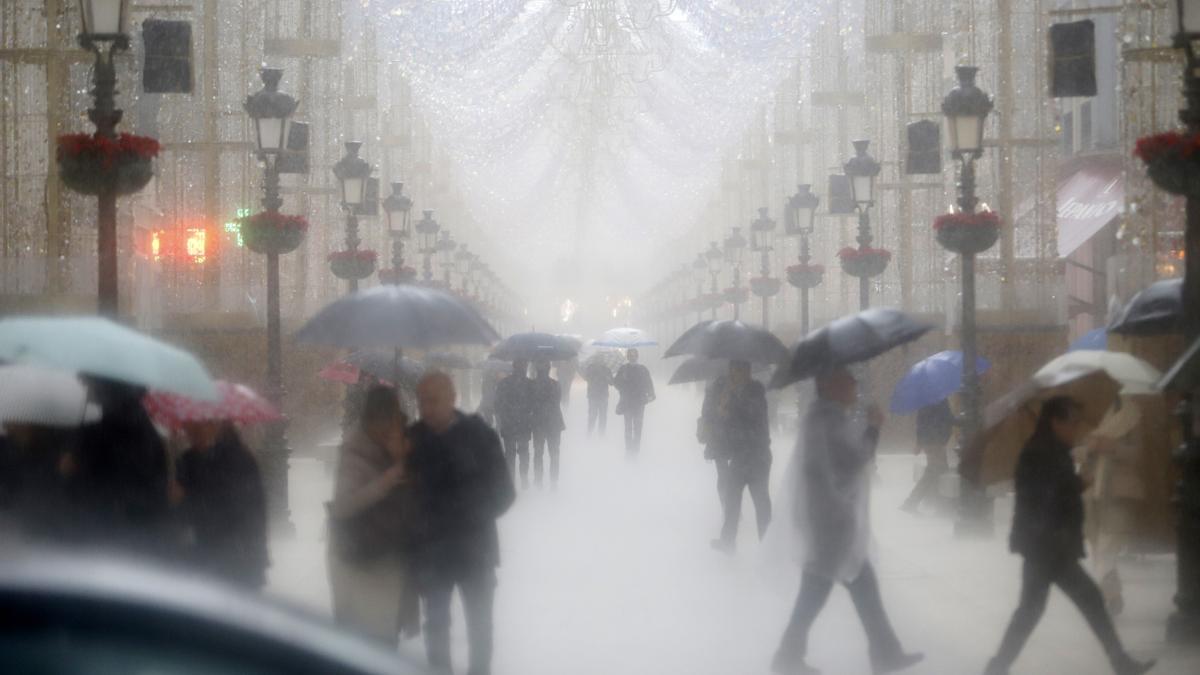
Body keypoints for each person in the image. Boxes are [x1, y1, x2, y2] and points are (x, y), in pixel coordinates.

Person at [984, 397, 1154, 675]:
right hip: (1046, 547)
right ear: (1056, 422)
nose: (1076, 429)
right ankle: (1120, 662)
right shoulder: (1039, 452)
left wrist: (1077, 482)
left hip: (1051, 547)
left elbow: (1057, 489)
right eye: (1072, 423)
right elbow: (1043, 497)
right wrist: (1074, 484)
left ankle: (1120, 662)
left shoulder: (1053, 448)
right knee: (1043, 609)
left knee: (1059, 607)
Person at [773, 367, 922, 675]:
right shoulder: (826, 419)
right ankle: (789, 655)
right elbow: (853, 461)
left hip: (830, 519)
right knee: (822, 590)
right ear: (831, 385)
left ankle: (884, 652)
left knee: (853, 586)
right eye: (848, 379)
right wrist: (873, 428)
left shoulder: (825, 416)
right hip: (831, 521)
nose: (855, 384)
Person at [408, 372, 516, 675]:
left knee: (480, 625)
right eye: (421, 401)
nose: (426, 408)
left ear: (452, 398)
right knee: (436, 624)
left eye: (433, 401)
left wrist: (468, 514)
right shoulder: (412, 440)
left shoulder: (479, 435)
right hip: (432, 553)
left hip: (475, 550)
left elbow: (505, 493)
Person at [327, 385, 415, 646]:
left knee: (384, 638)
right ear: (373, 420)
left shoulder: (395, 445)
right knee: (364, 640)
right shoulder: (354, 453)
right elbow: (343, 506)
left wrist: (401, 461)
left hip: (387, 560)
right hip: (360, 560)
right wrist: (386, 481)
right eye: (386, 422)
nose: (389, 428)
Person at [68, 377, 172, 557]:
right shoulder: (148, 433)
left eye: (92, 384)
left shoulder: (99, 434)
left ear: (108, 390)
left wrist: (73, 465)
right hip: (137, 539)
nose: (87, 389)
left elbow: (93, 486)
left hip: (105, 538)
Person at [174, 420, 269, 589]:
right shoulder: (187, 460)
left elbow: (246, 510)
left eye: (197, 426)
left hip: (228, 556)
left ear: (214, 426)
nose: (190, 433)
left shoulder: (234, 460)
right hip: (210, 555)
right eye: (189, 428)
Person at [1079, 402, 1146, 615]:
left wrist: (1113, 448)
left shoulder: (1135, 415)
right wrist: (1088, 450)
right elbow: (1087, 457)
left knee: (1107, 548)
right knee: (1098, 549)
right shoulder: (1103, 415)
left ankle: (1097, 597)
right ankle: (1113, 595)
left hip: (1119, 493)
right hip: (1095, 492)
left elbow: (1139, 455)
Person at [701, 360, 771, 554]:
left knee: (761, 501)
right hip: (741, 456)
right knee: (732, 498)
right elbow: (726, 424)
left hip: (757, 456)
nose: (734, 376)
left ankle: (768, 546)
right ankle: (728, 541)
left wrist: (728, 406)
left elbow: (749, 420)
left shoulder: (755, 393)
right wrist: (723, 409)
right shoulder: (731, 392)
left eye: (738, 372)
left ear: (747, 372)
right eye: (732, 372)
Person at [900, 397, 954, 513]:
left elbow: (920, 423)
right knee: (934, 472)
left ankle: (937, 504)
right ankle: (911, 502)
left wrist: (920, 442)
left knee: (939, 470)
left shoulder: (924, 401)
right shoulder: (941, 400)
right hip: (937, 441)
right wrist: (944, 438)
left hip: (929, 441)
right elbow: (948, 420)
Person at [494, 360, 534, 487]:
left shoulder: (503, 384)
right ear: (524, 368)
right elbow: (534, 404)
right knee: (524, 452)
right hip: (524, 423)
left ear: (513, 368)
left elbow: (498, 405)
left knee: (509, 453)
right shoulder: (530, 384)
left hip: (508, 423)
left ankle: (511, 479)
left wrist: (501, 419)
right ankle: (524, 479)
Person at [531, 361, 566, 488]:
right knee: (554, 453)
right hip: (554, 422)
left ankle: (538, 481)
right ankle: (554, 481)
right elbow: (557, 401)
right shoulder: (555, 384)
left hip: (538, 423)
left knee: (538, 453)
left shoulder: (532, 385)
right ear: (548, 369)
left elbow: (529, 403)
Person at [613, 348, 655, 455]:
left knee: (637, 428)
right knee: (629, 428)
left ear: (637, 356)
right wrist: (622, 380)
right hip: (629, 403)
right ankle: (629, 450)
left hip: (638, 403)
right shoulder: (624, 370)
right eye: (630, 355)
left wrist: (651, 394)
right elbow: (617, 384)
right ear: (628, 357)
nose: (632, 357)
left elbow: (648, 384)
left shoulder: (642, 369)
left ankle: (635, 450)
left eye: (634, 355)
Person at [584, 357, 613, 437]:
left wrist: (608, 378)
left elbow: (611, 382)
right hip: (593, 396)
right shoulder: (590, 368)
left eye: (601, 359)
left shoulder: (606, 369)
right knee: (592, 415)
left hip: (603, 396)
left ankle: (601, 434)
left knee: (603, 416)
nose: (599, 361)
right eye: (597, 359)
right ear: (594, 360)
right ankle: (589, 433)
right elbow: (586, 378)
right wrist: (594, 377)